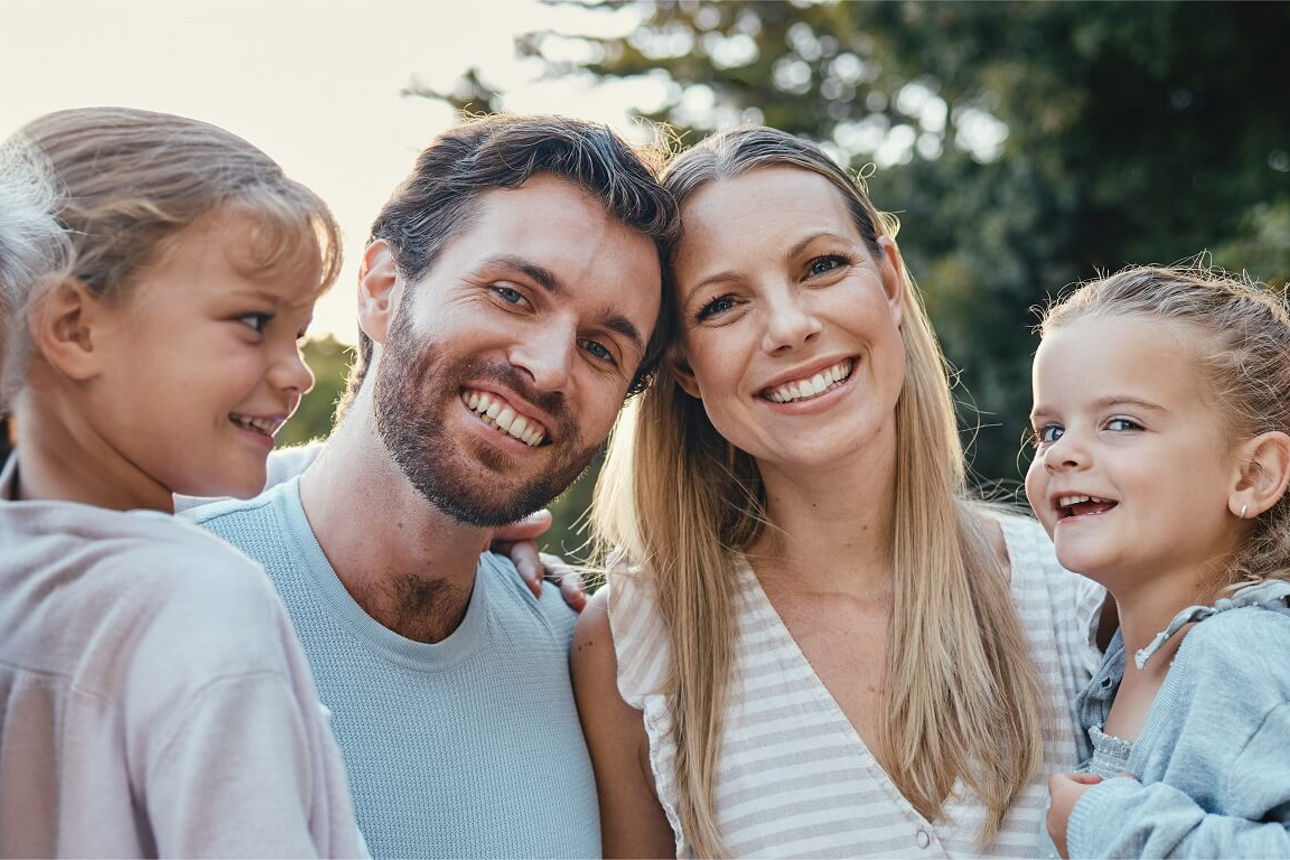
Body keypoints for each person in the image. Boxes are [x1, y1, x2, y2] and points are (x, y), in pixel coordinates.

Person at [575, 126, 1105, 858]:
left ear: (888, 281)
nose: (791, 327)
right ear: (684, 367)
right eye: (722, 304)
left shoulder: (1085, 589)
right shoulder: (634, 646)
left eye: (821, 266)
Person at [188, 114, 679, 858]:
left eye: (601, 349)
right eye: (512, 294)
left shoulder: (588, 668)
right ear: (383, 289)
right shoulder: (151, 598)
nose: (550, 368)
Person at [0, 107, 363, 857]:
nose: (298, 374)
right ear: (73, 328)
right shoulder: (197, 600)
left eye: (298, 334)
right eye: (254, 321)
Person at [1029, 265, 1290, 858]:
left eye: (1122, 423)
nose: (1062, 454)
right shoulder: (1113, 668)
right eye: (1050, 431)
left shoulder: (1243, 655)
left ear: (1252, 475)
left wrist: (1105, 825)